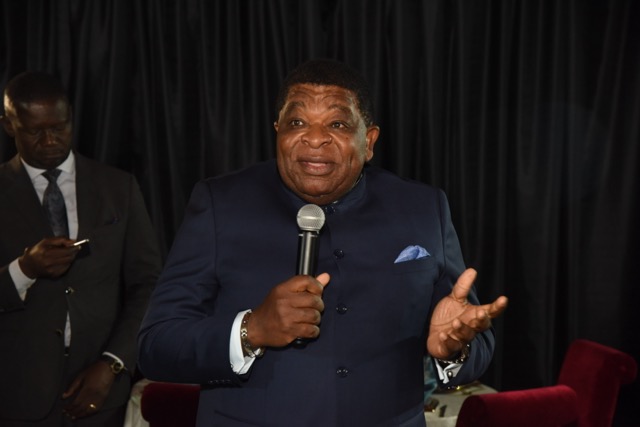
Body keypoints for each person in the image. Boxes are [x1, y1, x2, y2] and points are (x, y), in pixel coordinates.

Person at [137, 59, 508, 426]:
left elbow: (472, 338)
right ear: (278, 131)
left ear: (369, 141)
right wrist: (252, 330)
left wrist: (454, 348)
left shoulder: (423, 207)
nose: (315, 138)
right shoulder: (221, 205)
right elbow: (156, 345)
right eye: (297, 122)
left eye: (337, 124)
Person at [0, 71, 162, 426]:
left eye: (59, 127)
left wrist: (113, 363)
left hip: (102, 396)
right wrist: (24, 270)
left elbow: (148, 283)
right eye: (35, 131)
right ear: (10, 125)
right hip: (15, 397)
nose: (50, 141)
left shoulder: (118, 187)